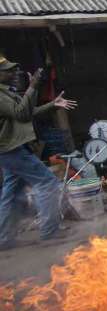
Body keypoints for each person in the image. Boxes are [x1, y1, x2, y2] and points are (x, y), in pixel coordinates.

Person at [0, 57, 77, 249]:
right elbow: (21, 113)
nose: (12, 74)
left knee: (13, 193)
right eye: (7, 71)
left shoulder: (6, 93)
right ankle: (49, 231)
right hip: (12, 149)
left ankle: (4, 238)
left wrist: (52, 104)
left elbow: (27, 112)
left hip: (15, 147)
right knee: (47, 183)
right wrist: (32, 87)